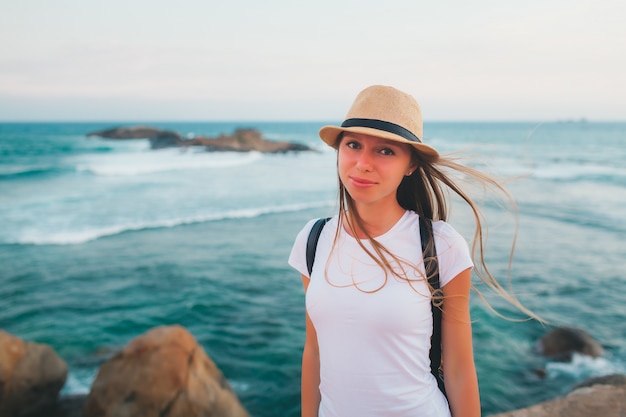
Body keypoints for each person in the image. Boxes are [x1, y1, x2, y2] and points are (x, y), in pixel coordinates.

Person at [288, 85, 532, 417]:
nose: (362, 163)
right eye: (353, 145)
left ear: (411, 164)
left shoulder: (441, 246)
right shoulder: (313, 239)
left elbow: (459, 369)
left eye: (385, 151)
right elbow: (315, 351)